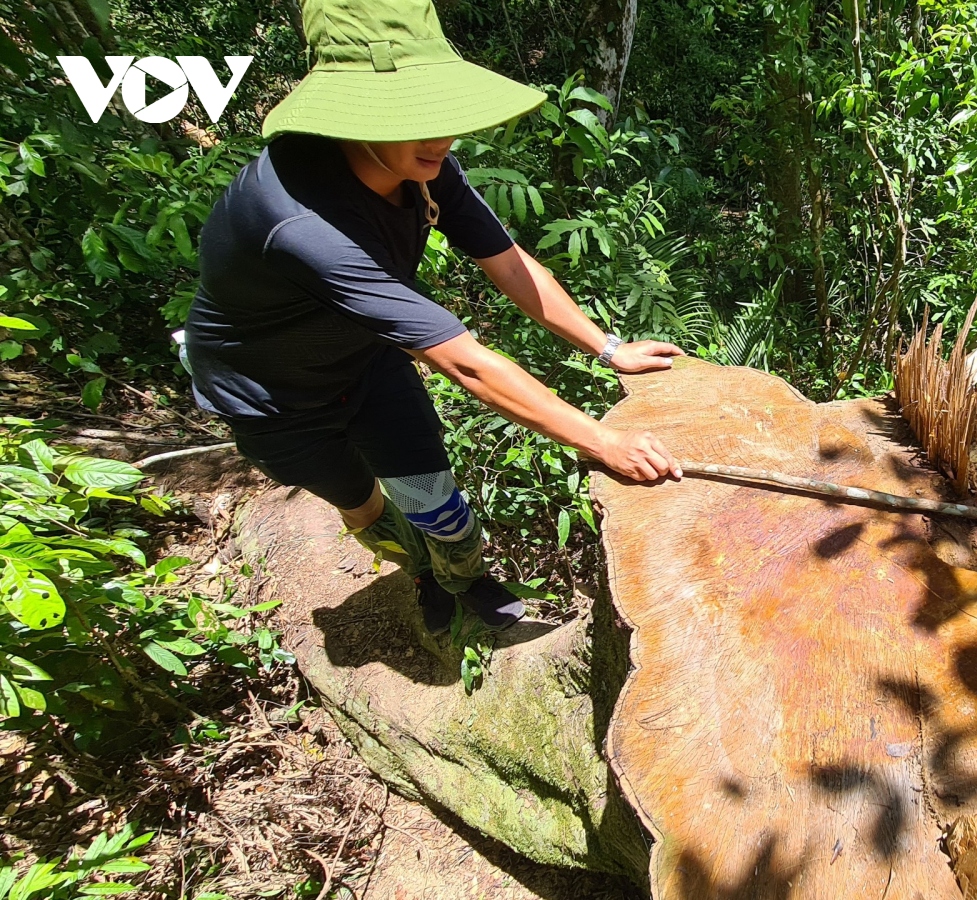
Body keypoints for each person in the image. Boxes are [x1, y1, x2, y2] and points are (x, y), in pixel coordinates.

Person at [183, 0, 683, 634]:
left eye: (440, 113)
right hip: (273, 404)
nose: (441, 137)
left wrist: (607, 347)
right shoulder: (298, 222)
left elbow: (509, 264)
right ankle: (418, 575)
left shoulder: (420, 169)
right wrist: (603, 441)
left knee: (435, 499)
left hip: (364, 362)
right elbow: (460, 360)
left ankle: (463, 576)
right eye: (414, 118)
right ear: (350, 118)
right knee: (365, 508)